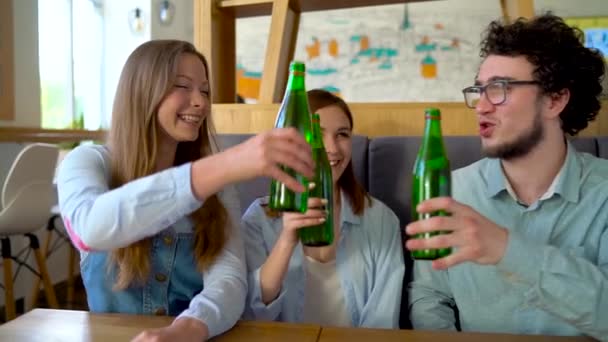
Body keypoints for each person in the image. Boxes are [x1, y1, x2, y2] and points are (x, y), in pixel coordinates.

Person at [57, 40, 314, 342]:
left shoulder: (219, 188)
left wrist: (188, 328)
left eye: (205, 91)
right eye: (183, 86)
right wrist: (226, 164)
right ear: (142, 92)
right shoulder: (87, 162)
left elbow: (229, 280)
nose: (201, 102)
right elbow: (88, 229)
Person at [407, 14, 607, 339]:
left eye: (499, 88)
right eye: (479, 90)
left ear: (555, 99)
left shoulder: (604, 194)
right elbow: (430, 296)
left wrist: (506, 249)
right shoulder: (453, 191)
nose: (482, 107)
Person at [241, 89, 404, 328]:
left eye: (342, 135)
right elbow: (252, 314)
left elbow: (383, 322)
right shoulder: (259, 217)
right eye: (316, 134)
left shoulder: (381, 220)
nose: (332, 149)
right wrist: (287, 239)